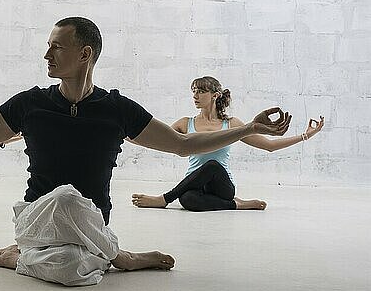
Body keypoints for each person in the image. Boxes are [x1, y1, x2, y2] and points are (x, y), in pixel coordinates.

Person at [0, 17, 292, 286]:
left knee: (70, 266)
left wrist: (248, 128)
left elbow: (181, 146)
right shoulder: (30, 103)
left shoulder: (117, 109)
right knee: (64, 202)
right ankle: (110, 255)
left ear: (85, 54)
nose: (46, 54)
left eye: (56, 47)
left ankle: (15, 257)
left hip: (91, 221)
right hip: (38, 214)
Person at [132, 76, 324, 212]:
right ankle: (238, 204)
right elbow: (158, 139)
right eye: (194, 91)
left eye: (201, 91)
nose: (195, 95)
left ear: (215, 95)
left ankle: (163, 199)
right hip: (193, 185)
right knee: (187, 200)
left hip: (221, 186)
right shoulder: (185, 123)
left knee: (212, 165)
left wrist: (305, 136)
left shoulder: (232, 124)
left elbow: (269, 146)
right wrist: (124, 132)